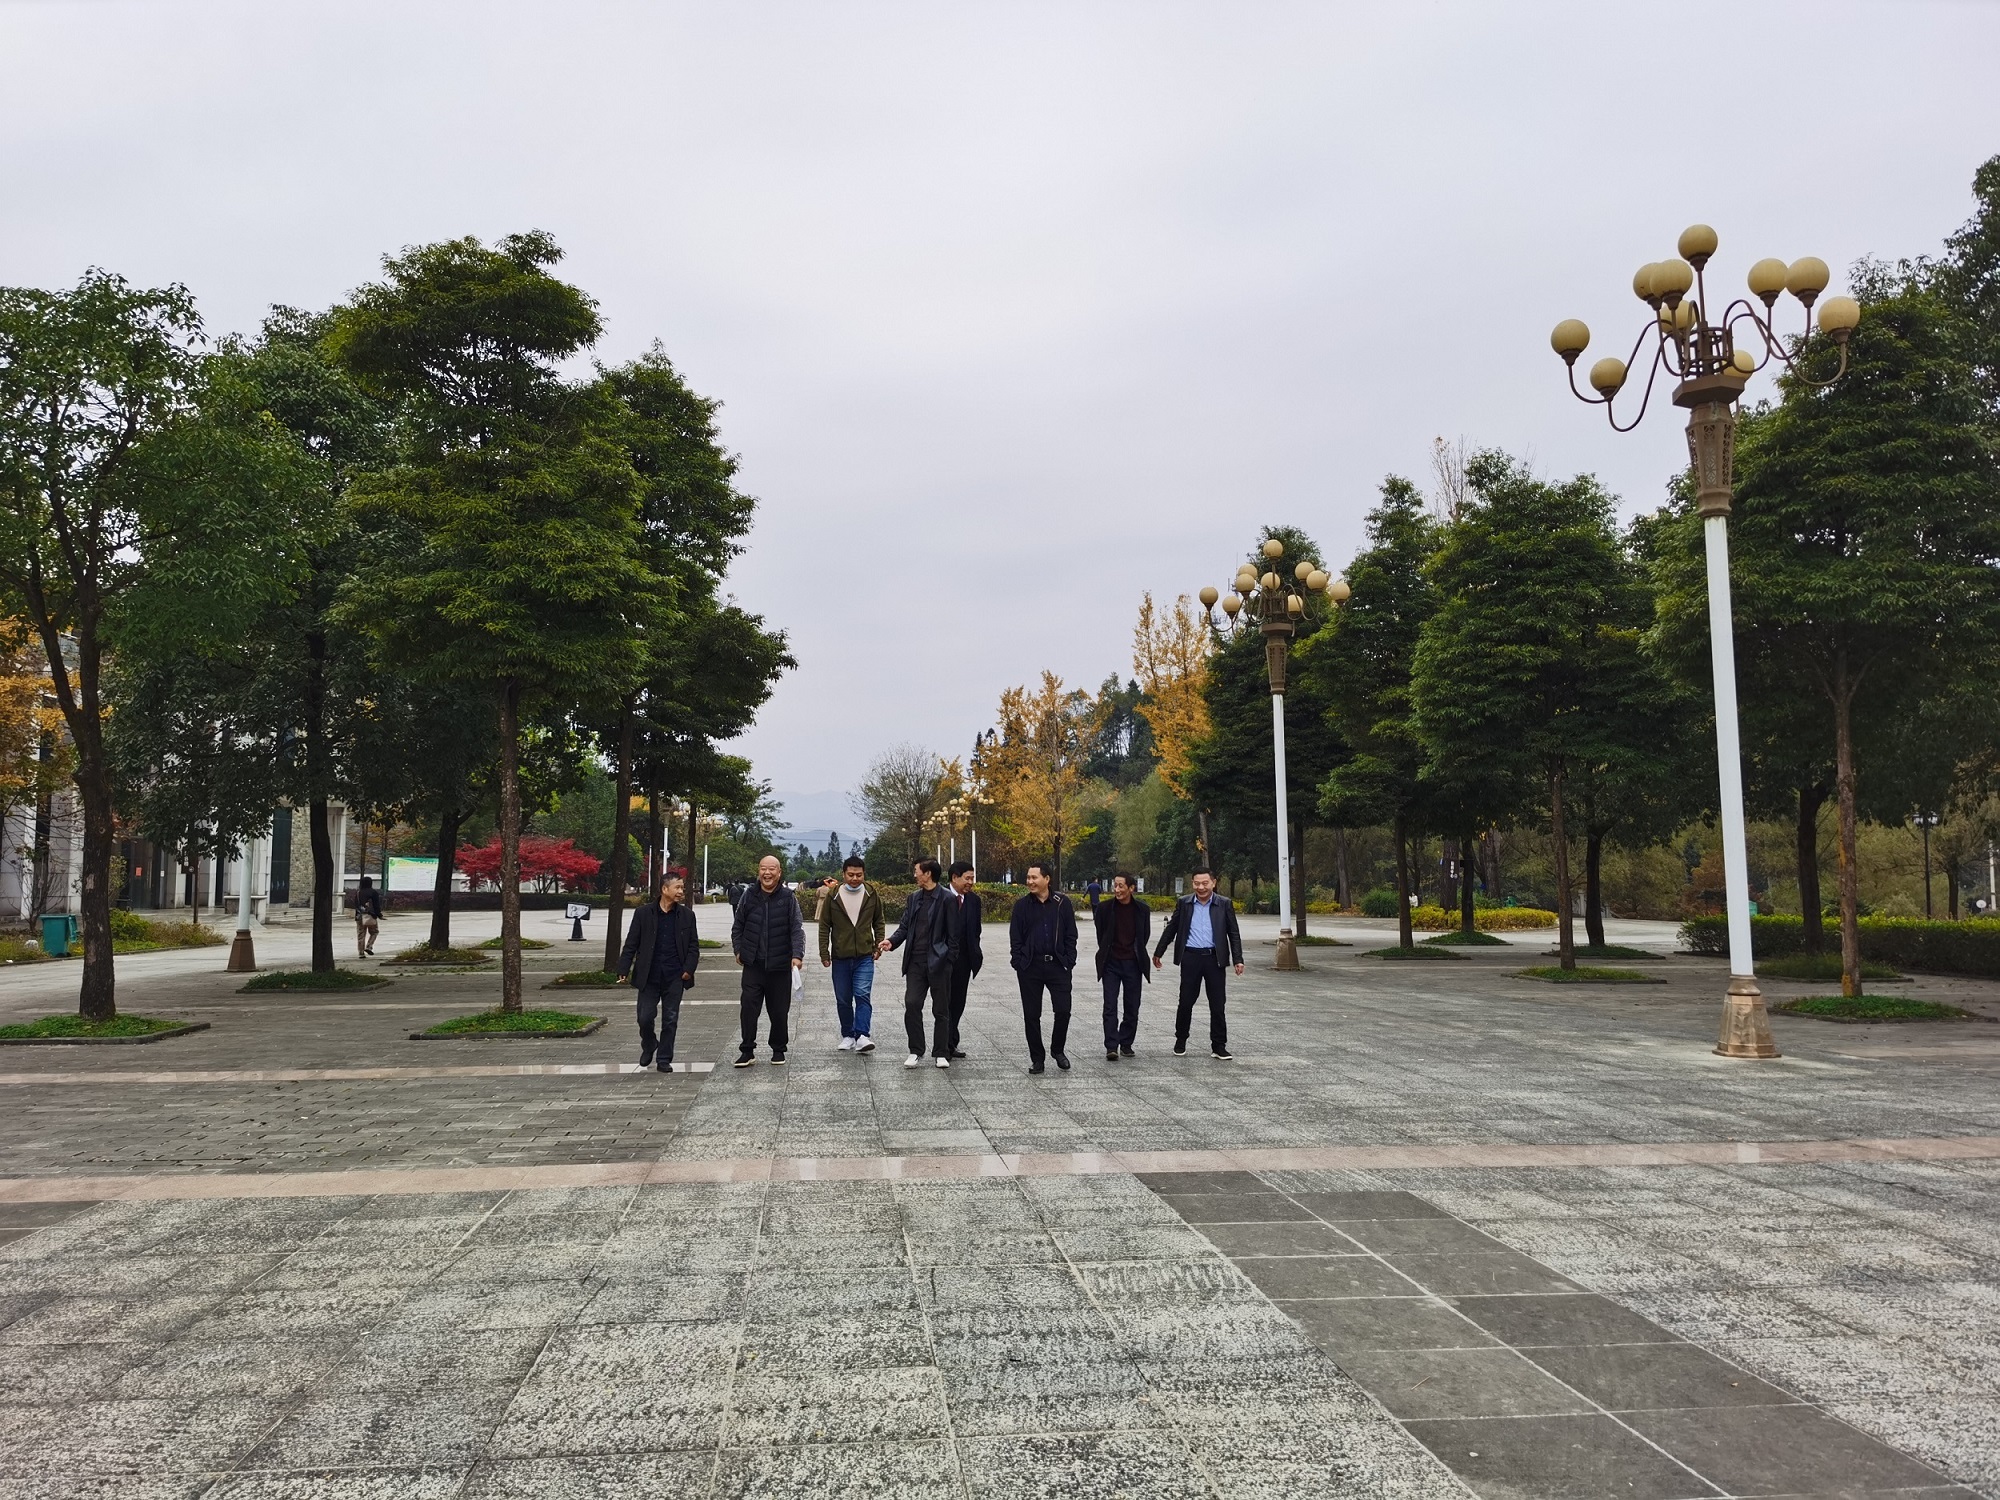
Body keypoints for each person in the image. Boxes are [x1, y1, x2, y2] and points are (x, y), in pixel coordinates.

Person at [1153, 868, 1245, 1059]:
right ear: (1192, 883)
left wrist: (1238, 959)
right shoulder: (1184, 903)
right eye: (1197, 883)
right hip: (1191, 957)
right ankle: (1180, 1040)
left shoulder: (1224, 904)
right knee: (1186, 1002)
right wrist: (1159, 952)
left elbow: (1233, 933)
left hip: (1214, 959)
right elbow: (1172, 928)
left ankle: (1218, 1045)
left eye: (1205, 883)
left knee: (1217, 1004)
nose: (1201, 887)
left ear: (1213, 883)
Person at [880, 857, 959, 1069]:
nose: (914, 874)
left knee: (941, 1009)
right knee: (912, 1003)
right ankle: (916, 1050)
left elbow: (954, 936)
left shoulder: (947, 899)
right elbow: (905, 926)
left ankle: (941, 1052)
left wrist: (949, 960)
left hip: (939, 962)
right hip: (915, 962)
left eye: (917, 871)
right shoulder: (914, 898)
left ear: (928, 874)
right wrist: (891, 941)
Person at [616, 872, 701, 1071]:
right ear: (664, 889)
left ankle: (664, 1059)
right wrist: (623, 967)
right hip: (648, 975)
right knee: (644, 1017)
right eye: (677, 887)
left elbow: (693, 946)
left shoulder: (687, 915)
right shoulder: (643, 913)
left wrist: (688, 969)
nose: (681, 891)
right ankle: (649, 1043)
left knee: (670, 1019)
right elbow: (631, 943)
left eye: (682, 888)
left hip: (675, 975)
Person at [730, 855, 805, 1068]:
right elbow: (738, 926)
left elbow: (796, 928)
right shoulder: (748, 895)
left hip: (780, 965)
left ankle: (778, 1049)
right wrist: (738, 950)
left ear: (779, 873)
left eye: (772, 869)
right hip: (753, 964)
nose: (767, 873)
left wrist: (797, 955)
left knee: (779, 1011)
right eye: (763, 869)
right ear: (759, 871)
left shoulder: (788, 897)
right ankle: (747, 1050)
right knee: (748, 1007)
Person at [1009, 861, 1077, 1074]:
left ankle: (1058, 1050)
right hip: (1030, 967)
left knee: (1063, 1010)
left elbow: (1071, 934)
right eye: (1028, 878)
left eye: (1034, 877)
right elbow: (1015, 937)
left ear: (1047, 879)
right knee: (1031, 1015)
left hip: (1058, 965)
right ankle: (1037, 1059)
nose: (1030, 881)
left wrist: (1069, 960)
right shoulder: (1021, 906)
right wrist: (1018, 961)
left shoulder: (1062, 903)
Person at [819, 856, 884, 1054]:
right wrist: (824, 952)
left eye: (859, 875)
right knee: (843, 999)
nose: (855, 878)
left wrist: (878, 945)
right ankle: (848, 1035)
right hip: (840, 957)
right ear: (843, 874)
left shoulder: (871, 894)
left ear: (864, 874)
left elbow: (879, 921)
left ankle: (862, 1035)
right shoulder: (833, 895)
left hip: (864, 956)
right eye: (851, 875)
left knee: (862, 995)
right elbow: (824, 926)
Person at [1089, 872, 1150, 1061]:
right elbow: (1101, 935)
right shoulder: (1105, 908)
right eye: (1115, 885)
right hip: (1111, 963)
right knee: (1110, 1005)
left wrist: (1134, 952)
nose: (1116, 889)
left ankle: (1126, 1043)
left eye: (1121, 886)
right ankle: (1111, 1046)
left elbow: (1144, 936)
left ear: (1131, 888)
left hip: (1133, 963)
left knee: (1132, 1005)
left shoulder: (1142, 910)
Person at [945, 860, 983, 1059]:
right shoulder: (941, 897)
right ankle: (945, 1045)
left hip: (964, 960)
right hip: (943, 960)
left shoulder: (974, 901)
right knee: (944, 1003)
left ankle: (951, 1042)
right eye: (967, 878)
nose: (970, 882)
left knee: (958, 1003)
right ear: (954, 877)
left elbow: (976, 930)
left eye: (972, 878)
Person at [353, 875, 384, 957]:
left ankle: (361, 953)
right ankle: (369, 946)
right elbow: (376, 905)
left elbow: (356, 904)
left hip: (360, 916)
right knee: (374, 932)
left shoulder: (358, 893)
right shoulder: (373, 892)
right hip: (371, 915)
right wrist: (379, 915)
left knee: (361, 934)